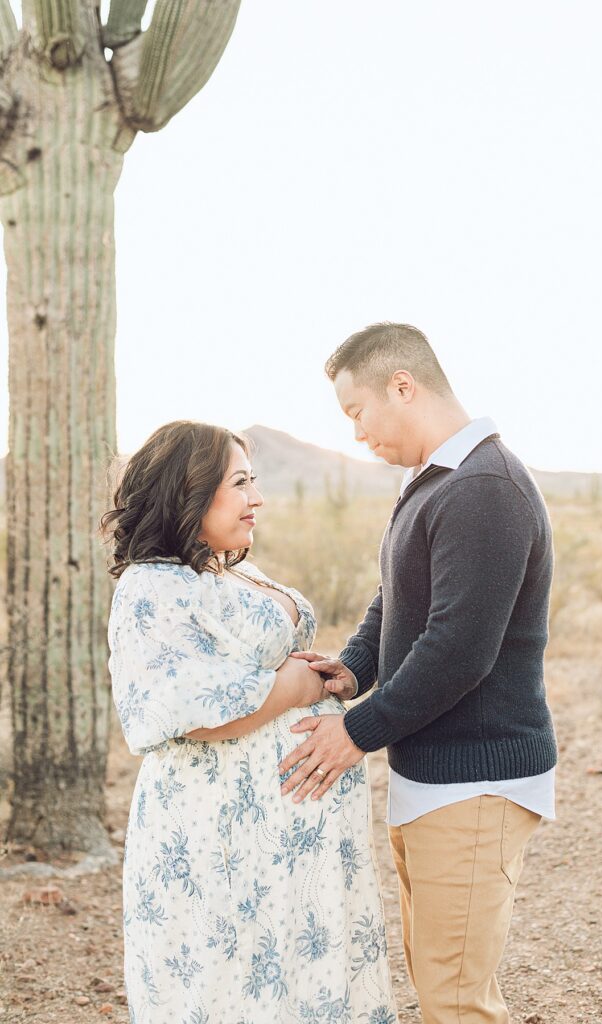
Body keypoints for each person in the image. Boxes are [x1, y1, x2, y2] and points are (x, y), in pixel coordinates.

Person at [278, 323, 558, 1024]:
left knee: (456, 1002)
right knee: (439, 984)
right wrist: (354, 667)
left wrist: (356, 733)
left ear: (402, 386)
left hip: (475, 778)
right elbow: (398, 595)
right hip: (438, 776)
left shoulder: (483, 487)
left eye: (356, 412)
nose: (356, 434)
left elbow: (460, 647)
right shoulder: (436, 482)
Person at [103, 420, 397, 1024]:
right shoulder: (152, 585)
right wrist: (291, 686)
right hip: (220, 839)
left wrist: (323, 672)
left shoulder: (226, 568)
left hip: (288, 842)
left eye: (253, 481)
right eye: (239, 483)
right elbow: (176, 707)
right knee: (229, 983)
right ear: (189, 490)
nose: (255, 497)